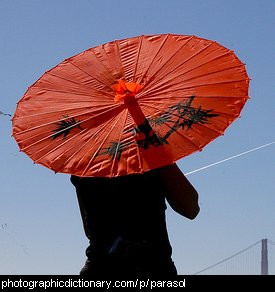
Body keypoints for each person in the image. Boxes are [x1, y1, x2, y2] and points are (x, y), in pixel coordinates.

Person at [70, 163, 199, 277]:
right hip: (152, 266)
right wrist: (160, 158)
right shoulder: (147, 148)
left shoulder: (85, 158)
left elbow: (89, 230)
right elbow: (191, 208)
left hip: (101, 267)